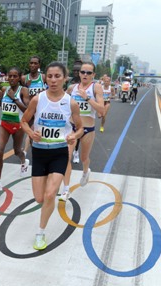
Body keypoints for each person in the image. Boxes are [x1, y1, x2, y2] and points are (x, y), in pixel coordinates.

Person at [21, 62, 83, 250]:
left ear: (65, 79)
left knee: (50, 195)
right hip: (39, 153)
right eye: (50, 76)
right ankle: (45, 212)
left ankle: (40, 233)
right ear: (45, 78)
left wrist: (74, 135)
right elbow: (24, 121)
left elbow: (80, 128)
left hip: (59, 153)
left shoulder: (70, 102)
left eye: (57, 76)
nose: (53, 80)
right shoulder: (37, 100)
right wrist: (31, 133)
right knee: (39, 198)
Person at [59, 62, 104, 201]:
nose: (85, 75)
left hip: (88, 129)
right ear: (79, 73)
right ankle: (66, 190)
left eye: (88, 73)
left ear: (93, 75)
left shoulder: (96, 87)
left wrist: (87, 97)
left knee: (84, 158)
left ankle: (86, 171)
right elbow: (61, 100)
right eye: (83, 72)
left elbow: (101, 110)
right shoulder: (72, 88)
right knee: (66, 156)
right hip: (72, 128)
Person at [0, 67, 31, 194]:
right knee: (0, 150)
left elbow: (26, 110)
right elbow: (4, 105)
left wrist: (15, 98)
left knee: (16, 150)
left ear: (19, 78)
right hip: (4, 124)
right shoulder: (4, 89)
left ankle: (23, 160)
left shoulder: (23, 90)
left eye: (15, 76)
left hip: (18, 125)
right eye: (10, 76)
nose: (12, 79)